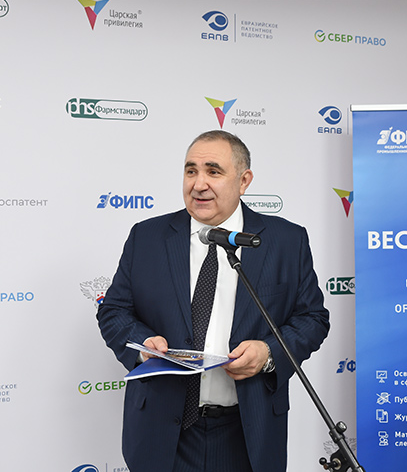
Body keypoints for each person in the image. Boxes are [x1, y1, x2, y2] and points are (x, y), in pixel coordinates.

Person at [97, 130, 330, 472]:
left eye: (213, 171)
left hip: (247, 432)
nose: (199, 184)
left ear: (244, 180)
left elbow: (312, 319)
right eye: (191, 170)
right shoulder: (146, 237)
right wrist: (142, 345)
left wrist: (268, 353)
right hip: (162, 434)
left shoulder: (286, 240)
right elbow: (114, 311)